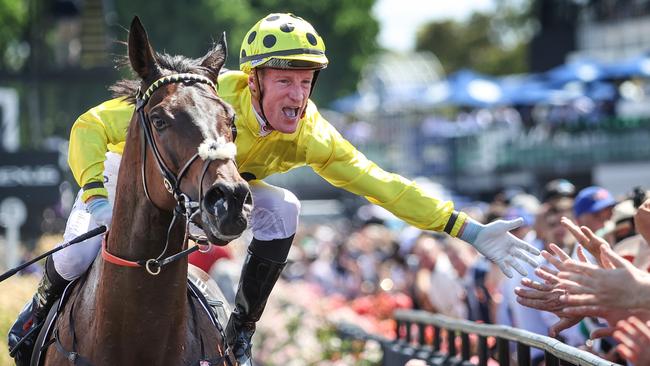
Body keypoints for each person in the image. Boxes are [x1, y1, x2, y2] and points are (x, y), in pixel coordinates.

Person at [8, 13, 540, 364]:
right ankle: (40, 310)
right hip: (138, 182)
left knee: (284, 205)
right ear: (254, 79)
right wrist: (97, 194)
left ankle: (240, 326)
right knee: (80, 250)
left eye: (306, 81)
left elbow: (384, 185)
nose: (298, 95)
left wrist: (465, 228)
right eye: (284, 79)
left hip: (212, 192)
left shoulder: (313, 134)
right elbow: (88, 127)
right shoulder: (205, 98)